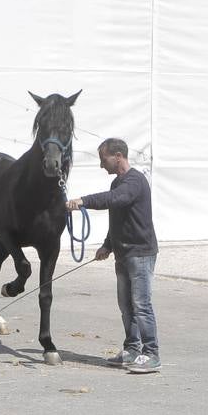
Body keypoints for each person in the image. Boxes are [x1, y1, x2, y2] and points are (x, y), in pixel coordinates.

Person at [66, 138, 161, 374]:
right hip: (123, 253)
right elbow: (117, 216)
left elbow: (116, 200)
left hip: (140, 253)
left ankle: (151, 353)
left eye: (103, 159)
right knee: (126, 306)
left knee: (141, 305)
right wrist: (107, 245)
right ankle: (131, 349)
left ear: (118, 156)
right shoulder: (118, 183)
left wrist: (84, 201)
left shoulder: (134, 181)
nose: (101, 165)